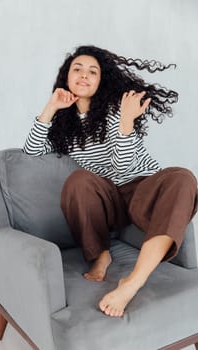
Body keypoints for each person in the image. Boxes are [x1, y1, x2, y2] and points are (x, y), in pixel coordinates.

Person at [23, 45, 198, 318]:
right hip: (109, 199)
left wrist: (127, 121)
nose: (84, 75)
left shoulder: (117, 110)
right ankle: (100, 255)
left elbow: (123, 165)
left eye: (92, 71)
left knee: (184, 178)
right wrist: (51, 106)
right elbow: (32, 151)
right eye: (77, 69)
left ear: (100, 80)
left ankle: (132, 281)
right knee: (78, 180)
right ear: (66, 78)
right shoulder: (64, 126)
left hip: (143, 189)